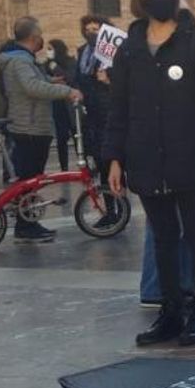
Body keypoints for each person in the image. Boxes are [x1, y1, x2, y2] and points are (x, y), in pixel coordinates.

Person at [105, 0, 195, 347]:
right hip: (147, 160)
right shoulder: (130, 49)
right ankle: (171, 311)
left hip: (191, 157)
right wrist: (114, 157)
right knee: (163, 239)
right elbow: (118, 107)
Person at [0, 17, 82, 243]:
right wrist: (66, 91)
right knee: (28, 180)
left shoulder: (23, 59)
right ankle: (26, 227)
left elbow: (36, 83)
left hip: (32, 125)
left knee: (30, 179)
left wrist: (52, 82)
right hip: (29, 127)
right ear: (34, 38)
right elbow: (32, 87)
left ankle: (29, 222)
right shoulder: (21, 61)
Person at [73, 15, 118, 228]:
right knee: (100, 164)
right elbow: (77, 77)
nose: (91, 32)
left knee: (112, 162)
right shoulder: (83, 52)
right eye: (88, 29)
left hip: (109, 112)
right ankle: (110, 210)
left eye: (95, 29)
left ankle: (119, 208)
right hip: (90, 114)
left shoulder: (112, 52)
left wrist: (109, 79)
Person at [46, 38, 78, 173]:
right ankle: (64, 167)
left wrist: (56, 69)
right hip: (57, 104)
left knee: (77, 134)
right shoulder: (46, 64)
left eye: (50, 49)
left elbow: (70, 78)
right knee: (61, 138)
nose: (48, 52)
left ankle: (84, 162)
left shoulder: (70, 61)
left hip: (71, 104)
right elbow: (44, 81)